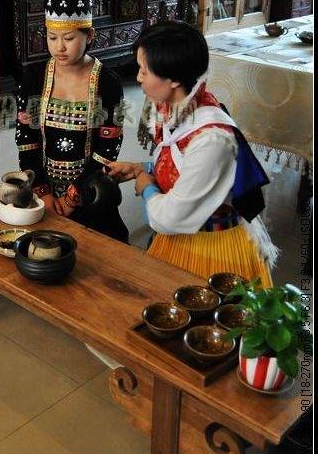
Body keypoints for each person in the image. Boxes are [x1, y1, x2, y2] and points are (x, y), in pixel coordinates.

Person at [108, 20, 277, 286]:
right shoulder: (182, 108)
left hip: (211, 248)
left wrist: (147, 187)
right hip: (184, 237)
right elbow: (187, 167)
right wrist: (143, 168)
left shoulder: (212, 141)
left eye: (144, 71)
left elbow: (168, 218)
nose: (138, 78)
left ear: (174, 79)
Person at [15, 0, 128, 243]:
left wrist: (72, 197)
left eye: (68, 38)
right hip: (43, 188)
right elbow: (27, 142)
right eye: (52, 37)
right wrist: (43, 192)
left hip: (90, 188)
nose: (59, 47)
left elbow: (107, 148)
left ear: (90, 35)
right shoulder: (33, 78)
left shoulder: (108, 83)